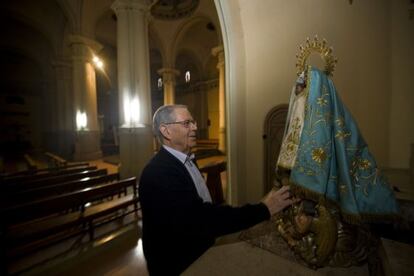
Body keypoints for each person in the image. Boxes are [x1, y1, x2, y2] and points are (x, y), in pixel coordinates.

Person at [139, 104, 296, 275]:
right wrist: (264, 209)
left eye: (193, 122)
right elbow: (203, 219)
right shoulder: (159, 173)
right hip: (177, 264)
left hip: (199, 250)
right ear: (166, 131)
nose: (195, 127)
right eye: (187, 123)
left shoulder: (184, 160)